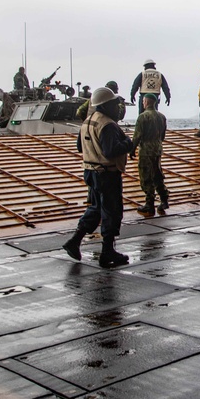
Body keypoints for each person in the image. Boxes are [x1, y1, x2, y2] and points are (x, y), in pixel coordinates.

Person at [62, 87, 135, 267]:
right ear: (106, 105)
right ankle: (107, 252)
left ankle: (75, 240)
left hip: (90, 171)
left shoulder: (88, 121)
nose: (117, 107)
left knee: (96, 208)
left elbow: (80, 146)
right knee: (111, 211)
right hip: (107, 173)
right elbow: (111, 151)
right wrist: (128, 143)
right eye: (114, 103)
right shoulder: (107, 124)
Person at [132, 93, 170, 216]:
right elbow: (162, 136)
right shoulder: (162, 117)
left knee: (146, 176)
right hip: (157, 149)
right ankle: (164, 199)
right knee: (158, 174)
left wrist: (131, 150)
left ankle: (149, 204)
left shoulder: (142, 117)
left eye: (143, 101)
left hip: (146, 150)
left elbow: (137, 136)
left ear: (146, 102)